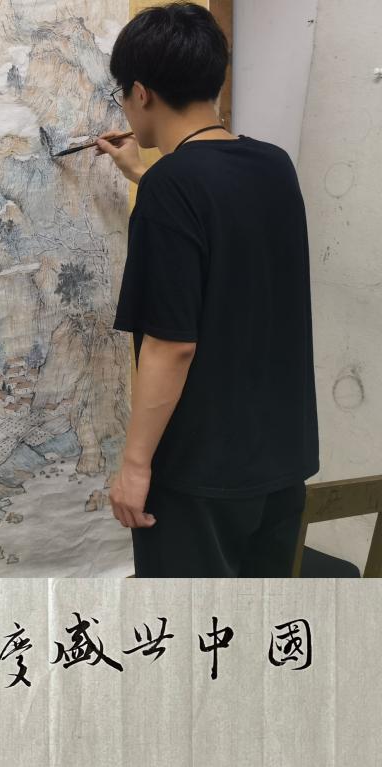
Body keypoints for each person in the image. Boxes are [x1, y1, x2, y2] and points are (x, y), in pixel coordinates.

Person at [95, 2, 319, 577]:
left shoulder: (172, 190)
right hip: (279, 462)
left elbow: (172, 345)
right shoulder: (274, 165)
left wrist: (135, 467)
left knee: (191, 628)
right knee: (259, 620)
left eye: (123, 94)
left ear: (140, 93)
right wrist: (143, 174)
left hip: (201, 478)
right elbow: (219, 220)